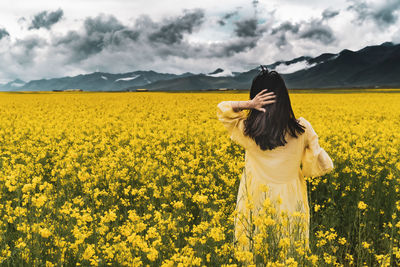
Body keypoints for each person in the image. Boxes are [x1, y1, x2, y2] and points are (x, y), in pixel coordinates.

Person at [216, 66, 334, 253]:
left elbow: (223, 109)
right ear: (285, 99)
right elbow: (321, 163)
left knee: (254, 246)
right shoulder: (302, 128)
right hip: (290, 196)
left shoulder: (248, 129)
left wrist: (248, 104)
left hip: (254, 196)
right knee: (290, 246)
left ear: (255, 98)